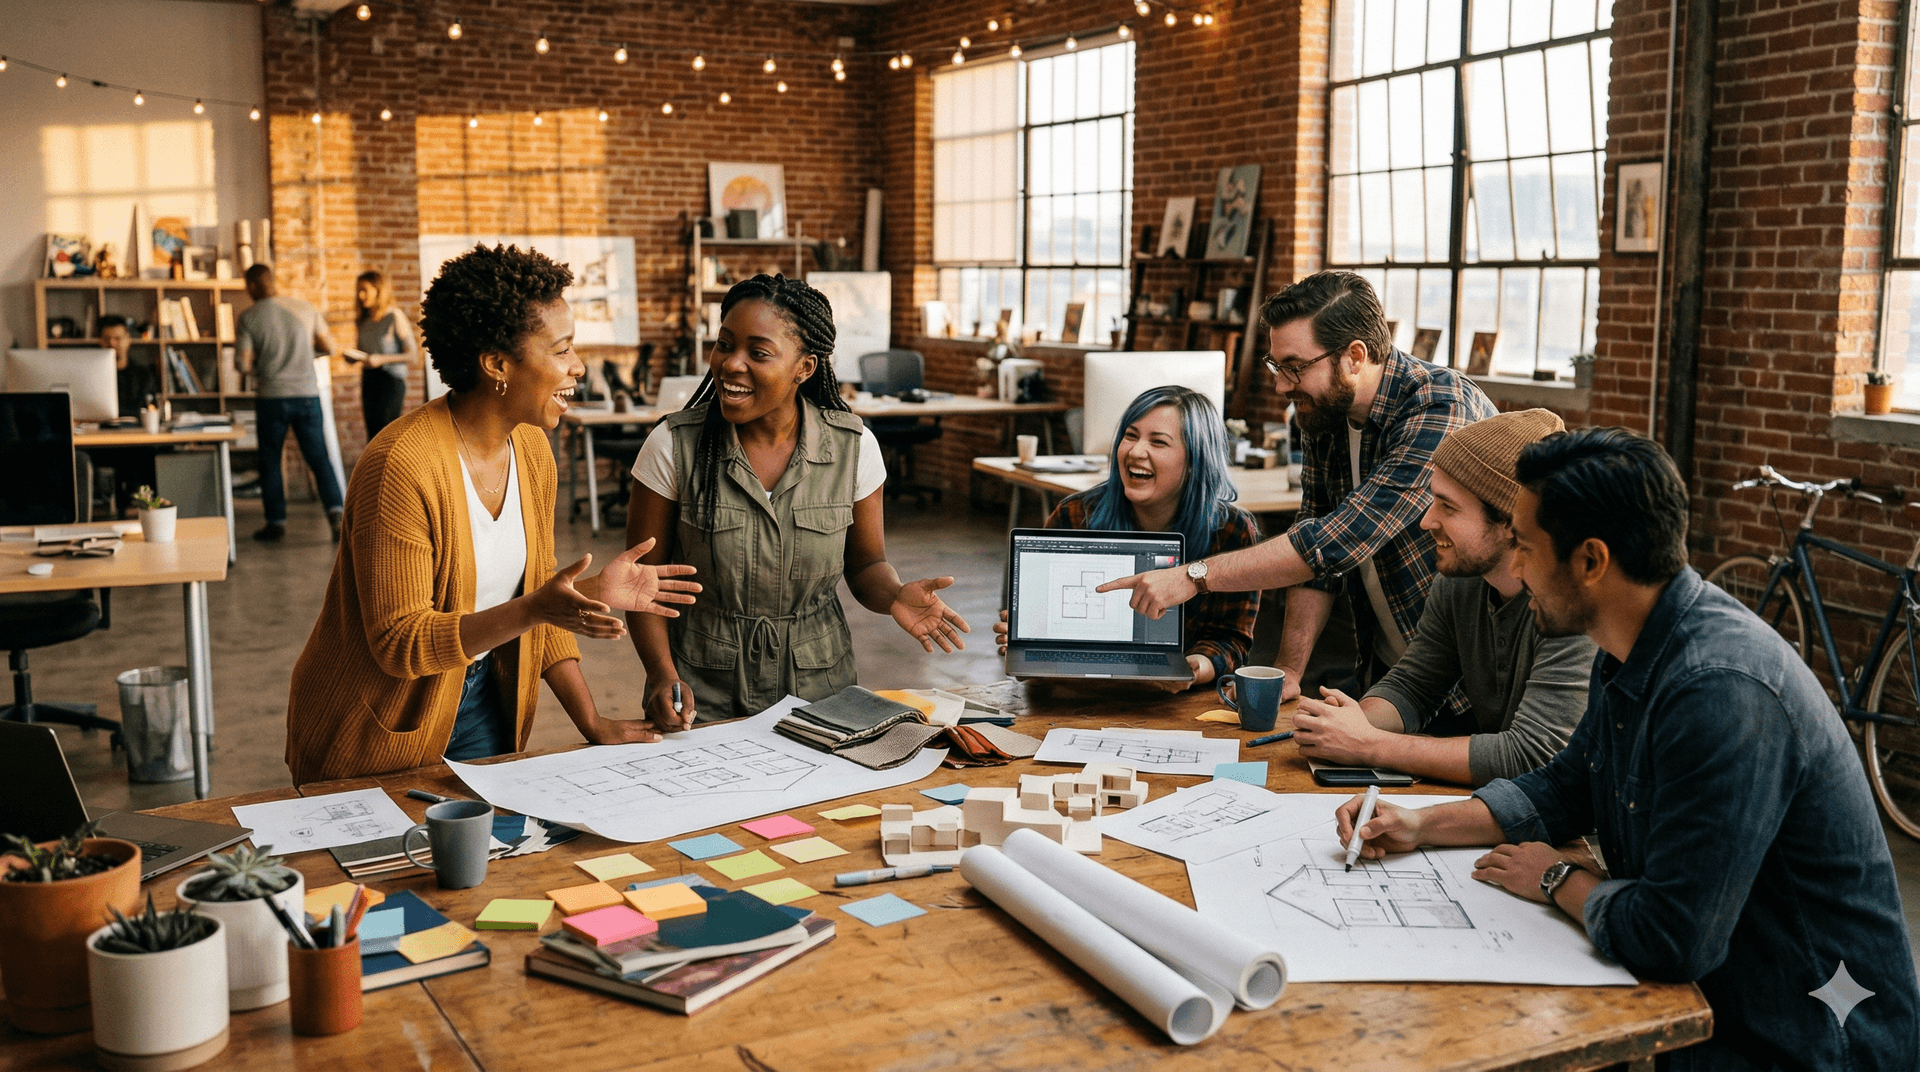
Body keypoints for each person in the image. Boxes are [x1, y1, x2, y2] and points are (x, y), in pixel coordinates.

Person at [1337, 428, 1920, 1069]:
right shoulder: (1629, 645)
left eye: (1526, 548)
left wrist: (1558, 879)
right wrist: (1420, 824)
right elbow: (1564, 787)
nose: (1517, 569)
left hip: (1812, 1042)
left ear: (1591, 561)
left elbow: (1673, 936)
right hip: (1721, 1012)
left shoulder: (1719, 692)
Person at [284, 244, 701, 785]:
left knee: (493, 841)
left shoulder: (531, 450)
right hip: (378, 723)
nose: (578, 366)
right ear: (497, 364)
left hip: (482, 701)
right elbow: (400, 643)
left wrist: (592, 720)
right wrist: (536, 608)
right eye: (562, 349)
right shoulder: (401, 466)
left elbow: (540, 601)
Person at [1099, 271, 1496, 713]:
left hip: (1469, 683)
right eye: (1276, 366)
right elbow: (1316, 550)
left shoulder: (1440, 407)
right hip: (1395, 674)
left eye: (1294, 367)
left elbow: (1337, 540)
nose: (1281, 385)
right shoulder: (1324, 411)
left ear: (1354, 357)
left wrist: (1193, 576)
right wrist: (1289, 668)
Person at [624, 274, 970, 728]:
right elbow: (641, 582)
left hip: (820, 687)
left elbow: (866, 565)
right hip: (701, 689)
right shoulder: (673, 445)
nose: (731, 364)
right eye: (724, 345)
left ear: (804, 368)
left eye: (758, 353)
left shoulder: (853, 448)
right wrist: (660, 675)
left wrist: (894, 596)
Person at [1293, 409, 1595, 786]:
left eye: (1448, 506)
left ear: (1511, 522)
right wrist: (1346, 723)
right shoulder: (1461, 583)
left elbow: (1531, 754)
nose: (1426, 521)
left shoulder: (1573, 606)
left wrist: (1368, 744)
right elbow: (1414, 684)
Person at [991, 385, 1260, 691]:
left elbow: (1231, 639)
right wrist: (1028, 634)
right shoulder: (1075, 516)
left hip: (1176, 705)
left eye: (1158, 442)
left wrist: (1196, 667)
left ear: (1195, 460)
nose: (1135, 451)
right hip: (1076, 695)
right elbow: (1041, 626)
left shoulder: (1231, 531)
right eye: (1130, 436)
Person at [235, 263, 346, 542]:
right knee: (319, 458)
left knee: (270, 461)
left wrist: (261, 364)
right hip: (307, 394)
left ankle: (276, 523)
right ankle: (337, 516)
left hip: (271, 396)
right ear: (273, 280)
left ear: (251, 286)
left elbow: (242, 364)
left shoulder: (249, 317)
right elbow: (328, 347)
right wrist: (302, 354)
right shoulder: (305, 308)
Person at [343, 269, 416, 443]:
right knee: (373, 436)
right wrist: (353, 357)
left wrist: (381, 359)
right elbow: (364, 352)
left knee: (386, 436)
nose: (360, 295)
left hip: (390, 381)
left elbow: (413, 355)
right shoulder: (363, 320)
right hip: (369, 379)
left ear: (378, 291)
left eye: (365, 290)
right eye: (358, 290)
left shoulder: (394, 316)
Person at [100, 314, 160, 417]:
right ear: (101, 341)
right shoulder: (94, 376)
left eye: (117, 338)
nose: (112, 343)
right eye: (106, 339)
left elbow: (151, 409)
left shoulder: (143, 375)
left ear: (128, 339)